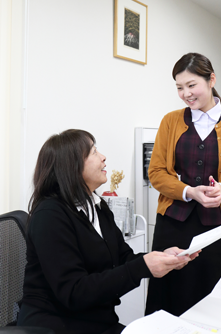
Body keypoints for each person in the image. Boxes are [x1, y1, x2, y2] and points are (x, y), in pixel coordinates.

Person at [17, 129, 199, 334]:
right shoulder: (49, 215)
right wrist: (143, 267)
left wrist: (158, 258)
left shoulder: (97, 206)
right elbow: (74, 292)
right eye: (94, 152)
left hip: (97, 322)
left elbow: (123, 258)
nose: (103, 157)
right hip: (57, 325)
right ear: (71, 165)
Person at [145, 52, 221, 317]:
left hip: (218, 229)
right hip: (172, 227)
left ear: (211, 80)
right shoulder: (170, 121)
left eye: (191, 85)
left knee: (216, 299)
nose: (186, 94)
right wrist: (188, 192)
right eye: (179, 88)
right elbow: (157, 172)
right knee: (168, 298)